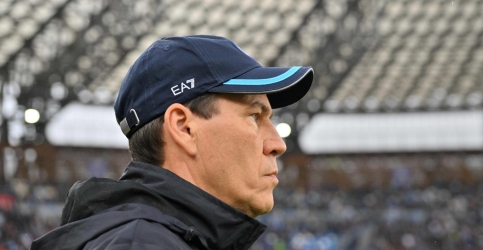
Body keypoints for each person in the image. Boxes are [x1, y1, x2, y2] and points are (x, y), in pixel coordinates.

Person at [31, 35, 313, 249]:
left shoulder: (156, 236)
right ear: (184, 128)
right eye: (254, 116)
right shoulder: (142, 243)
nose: (278, 143)